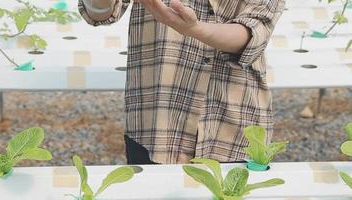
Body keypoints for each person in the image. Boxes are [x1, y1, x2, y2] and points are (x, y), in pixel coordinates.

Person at [78, 0, 285, 164]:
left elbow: (254, 32)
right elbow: (101, 13)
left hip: (233, 118)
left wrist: (194, 29)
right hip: (157, 121)